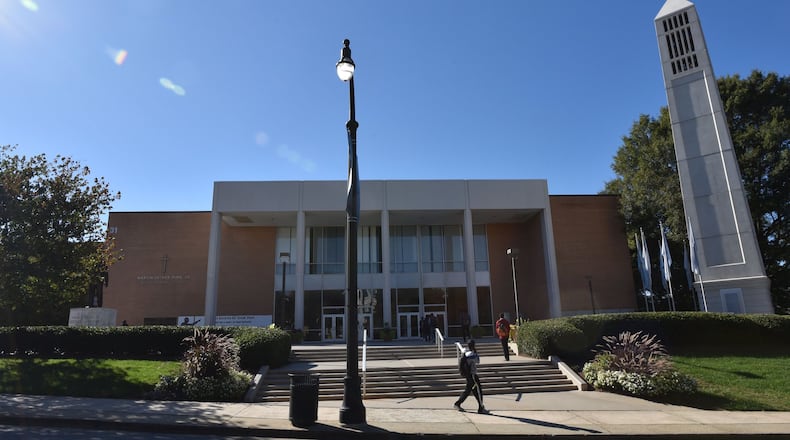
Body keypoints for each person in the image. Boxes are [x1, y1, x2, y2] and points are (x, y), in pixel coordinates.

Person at [454, 340, 489, 414]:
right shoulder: (472, 354)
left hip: (468, 375)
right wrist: (475, 352)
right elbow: (478, 361)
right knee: (478, 391)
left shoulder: (466, 353)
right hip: (472, 375)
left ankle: (458, 404)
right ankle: (481, 408)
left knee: (469, 390)